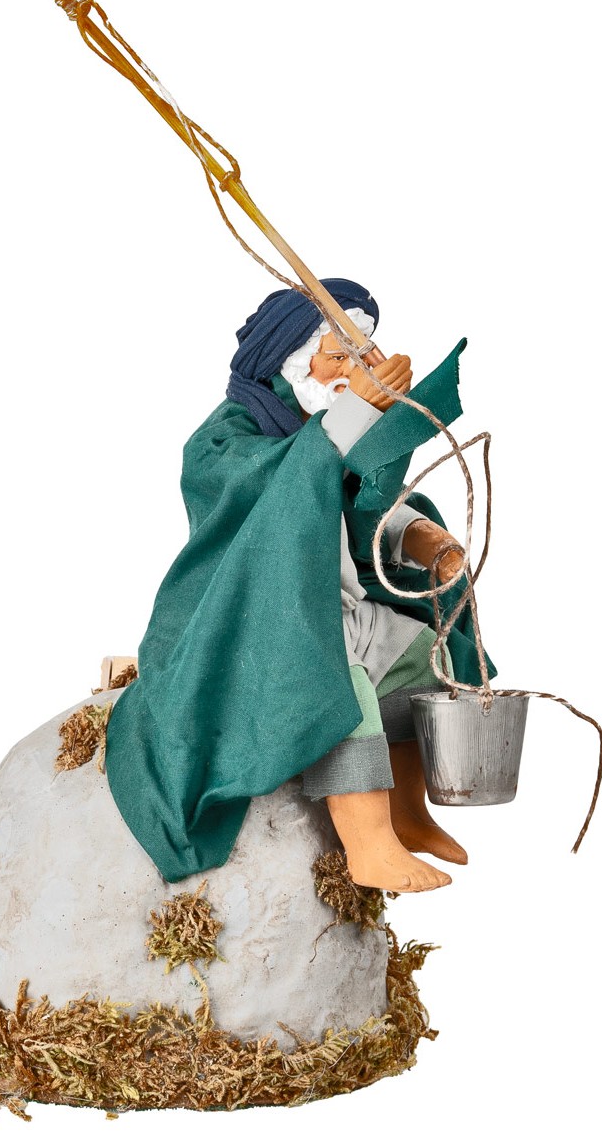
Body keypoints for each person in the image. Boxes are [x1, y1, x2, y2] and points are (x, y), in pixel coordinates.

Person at [104, 279, 494, 892]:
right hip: (257, 625)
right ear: (290, 363)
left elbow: (360, 505)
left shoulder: (324, 429)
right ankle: (368, 843)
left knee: (425, 659)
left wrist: (418, 537)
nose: (355, 370)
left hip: (340, 609)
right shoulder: (224, 441)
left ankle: (407, 813)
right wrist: (353, 414)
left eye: (361, 355)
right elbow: (277, 493)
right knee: (339, 687)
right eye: (339, 356)